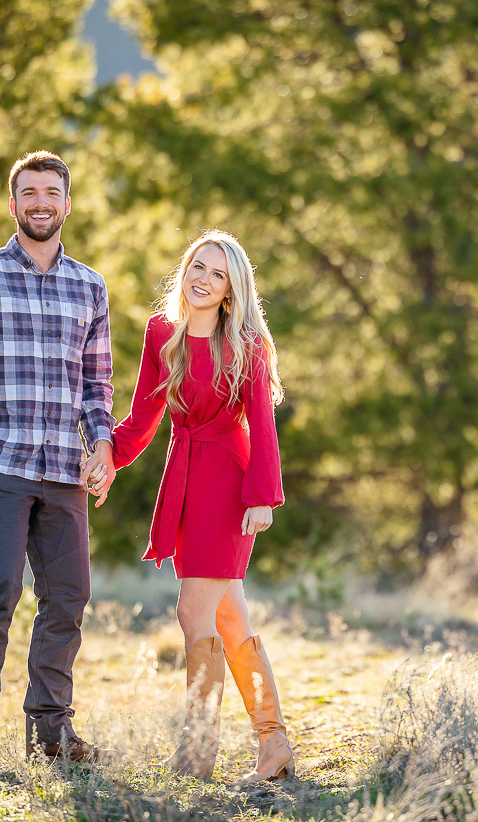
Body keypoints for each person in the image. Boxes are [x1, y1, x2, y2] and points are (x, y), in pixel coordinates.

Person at [0, 150, 117, 770]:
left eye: (51, 193)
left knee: (68, 595)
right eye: (29, 194)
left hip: (65, 470)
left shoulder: (89, 286)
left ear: (67, 203)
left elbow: (97, 386)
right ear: (13, 205)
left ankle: (51, 734)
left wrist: (105, 446)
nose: (41, 203)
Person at [88, 229, 291, 783]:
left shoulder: (247, 344)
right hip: (184, 474)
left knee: (192, 613)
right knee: (229, 617)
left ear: (231, 290)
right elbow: (142, 418)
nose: (203, 279)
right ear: (185, 270)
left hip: (229, 479)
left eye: (217, 274)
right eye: (197, 267)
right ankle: (273, 747)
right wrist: (108, 458)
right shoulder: (161, 333)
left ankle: (198, 753)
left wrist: (262, 497)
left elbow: (263, 425)